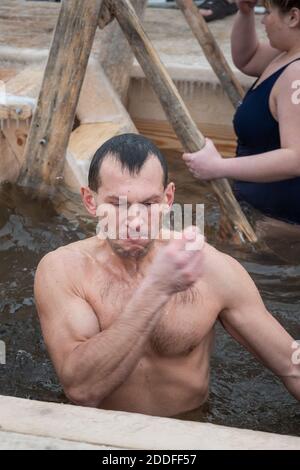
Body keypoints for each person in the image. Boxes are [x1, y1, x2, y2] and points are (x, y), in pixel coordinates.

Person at [35, 134, 300, 416]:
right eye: (117, 204)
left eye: (149, 204)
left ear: (168, 199)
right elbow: (82, 388)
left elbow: (289, 363)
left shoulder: (210, 267)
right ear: (90, 201)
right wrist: (157, 290)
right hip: (100, 438)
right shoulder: (64, 270)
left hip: (189, 433)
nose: (135, 221)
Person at [183, 0, 300, 225]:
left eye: (268, 12)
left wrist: (218, 167)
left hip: (282, 227)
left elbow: (295, 158)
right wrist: (244, 12)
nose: (264, 20)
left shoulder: (296, 74)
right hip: (261, 213)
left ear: (293, 17)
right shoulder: (285, 56)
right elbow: (247, 58)